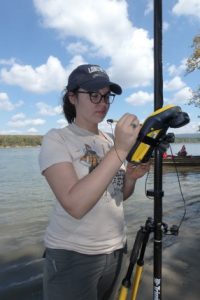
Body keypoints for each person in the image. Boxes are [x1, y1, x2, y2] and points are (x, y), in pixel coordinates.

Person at [39, 64, 150, 300]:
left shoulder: (110, 141)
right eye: (93, 95)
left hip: (115, 250)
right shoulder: (57, 139)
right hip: (73, 256)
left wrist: (130, 178)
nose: (103, 102)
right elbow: (75, 205)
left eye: (106, 95)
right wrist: (120, 150)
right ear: (72, 97)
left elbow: (118, 195)